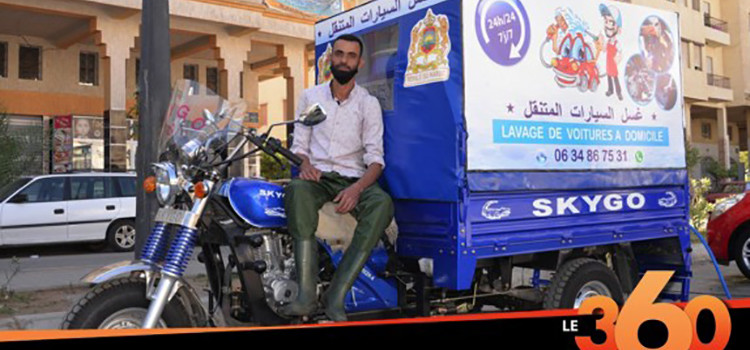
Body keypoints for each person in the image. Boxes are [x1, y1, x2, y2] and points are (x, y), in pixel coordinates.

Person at [280, 34, 394, 322]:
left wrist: (356, 190)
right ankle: (306, 297)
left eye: (351, 56)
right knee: (296, 189)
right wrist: (304, 165)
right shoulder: (311, 97)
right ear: (331, 58)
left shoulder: (367, 104)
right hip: (318, 178)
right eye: (339, 54)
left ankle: (337, 295)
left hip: (352, 178)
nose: (344, 60)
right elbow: (300, 145)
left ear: (360, 63)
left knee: (382, 204)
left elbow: (376, 159)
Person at [597, 4, 623, 101]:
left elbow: (620, 52)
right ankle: (610, 90)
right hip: (608, 64)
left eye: (611, 22)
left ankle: (619, 93)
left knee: (615, 78)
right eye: (606, 21)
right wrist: (600, 40)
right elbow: (603, 49)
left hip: (613, 64)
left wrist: (618, 57)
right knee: (609, 77)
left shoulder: (616, 43)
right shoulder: (608, 41)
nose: (608, 25)